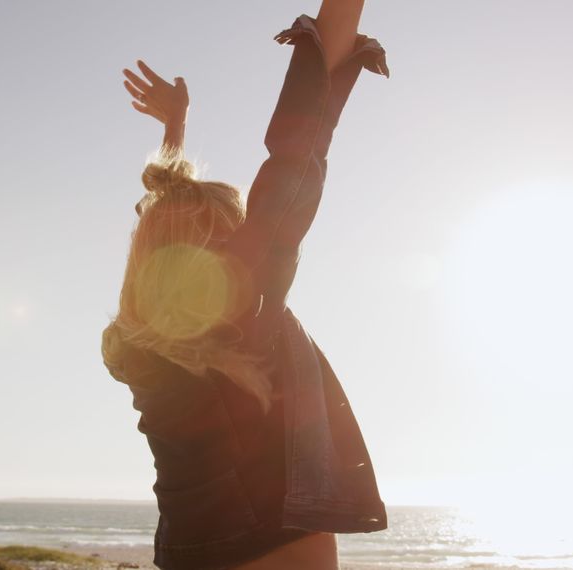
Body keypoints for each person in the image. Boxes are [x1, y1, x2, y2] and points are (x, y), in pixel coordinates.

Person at [103, 1, 390, 568]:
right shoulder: (241, 319)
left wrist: (174, 134)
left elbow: (164, 223)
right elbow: (294, 159)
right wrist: (334, 22)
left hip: (187, 546)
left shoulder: (135, 344)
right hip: (268, 541)